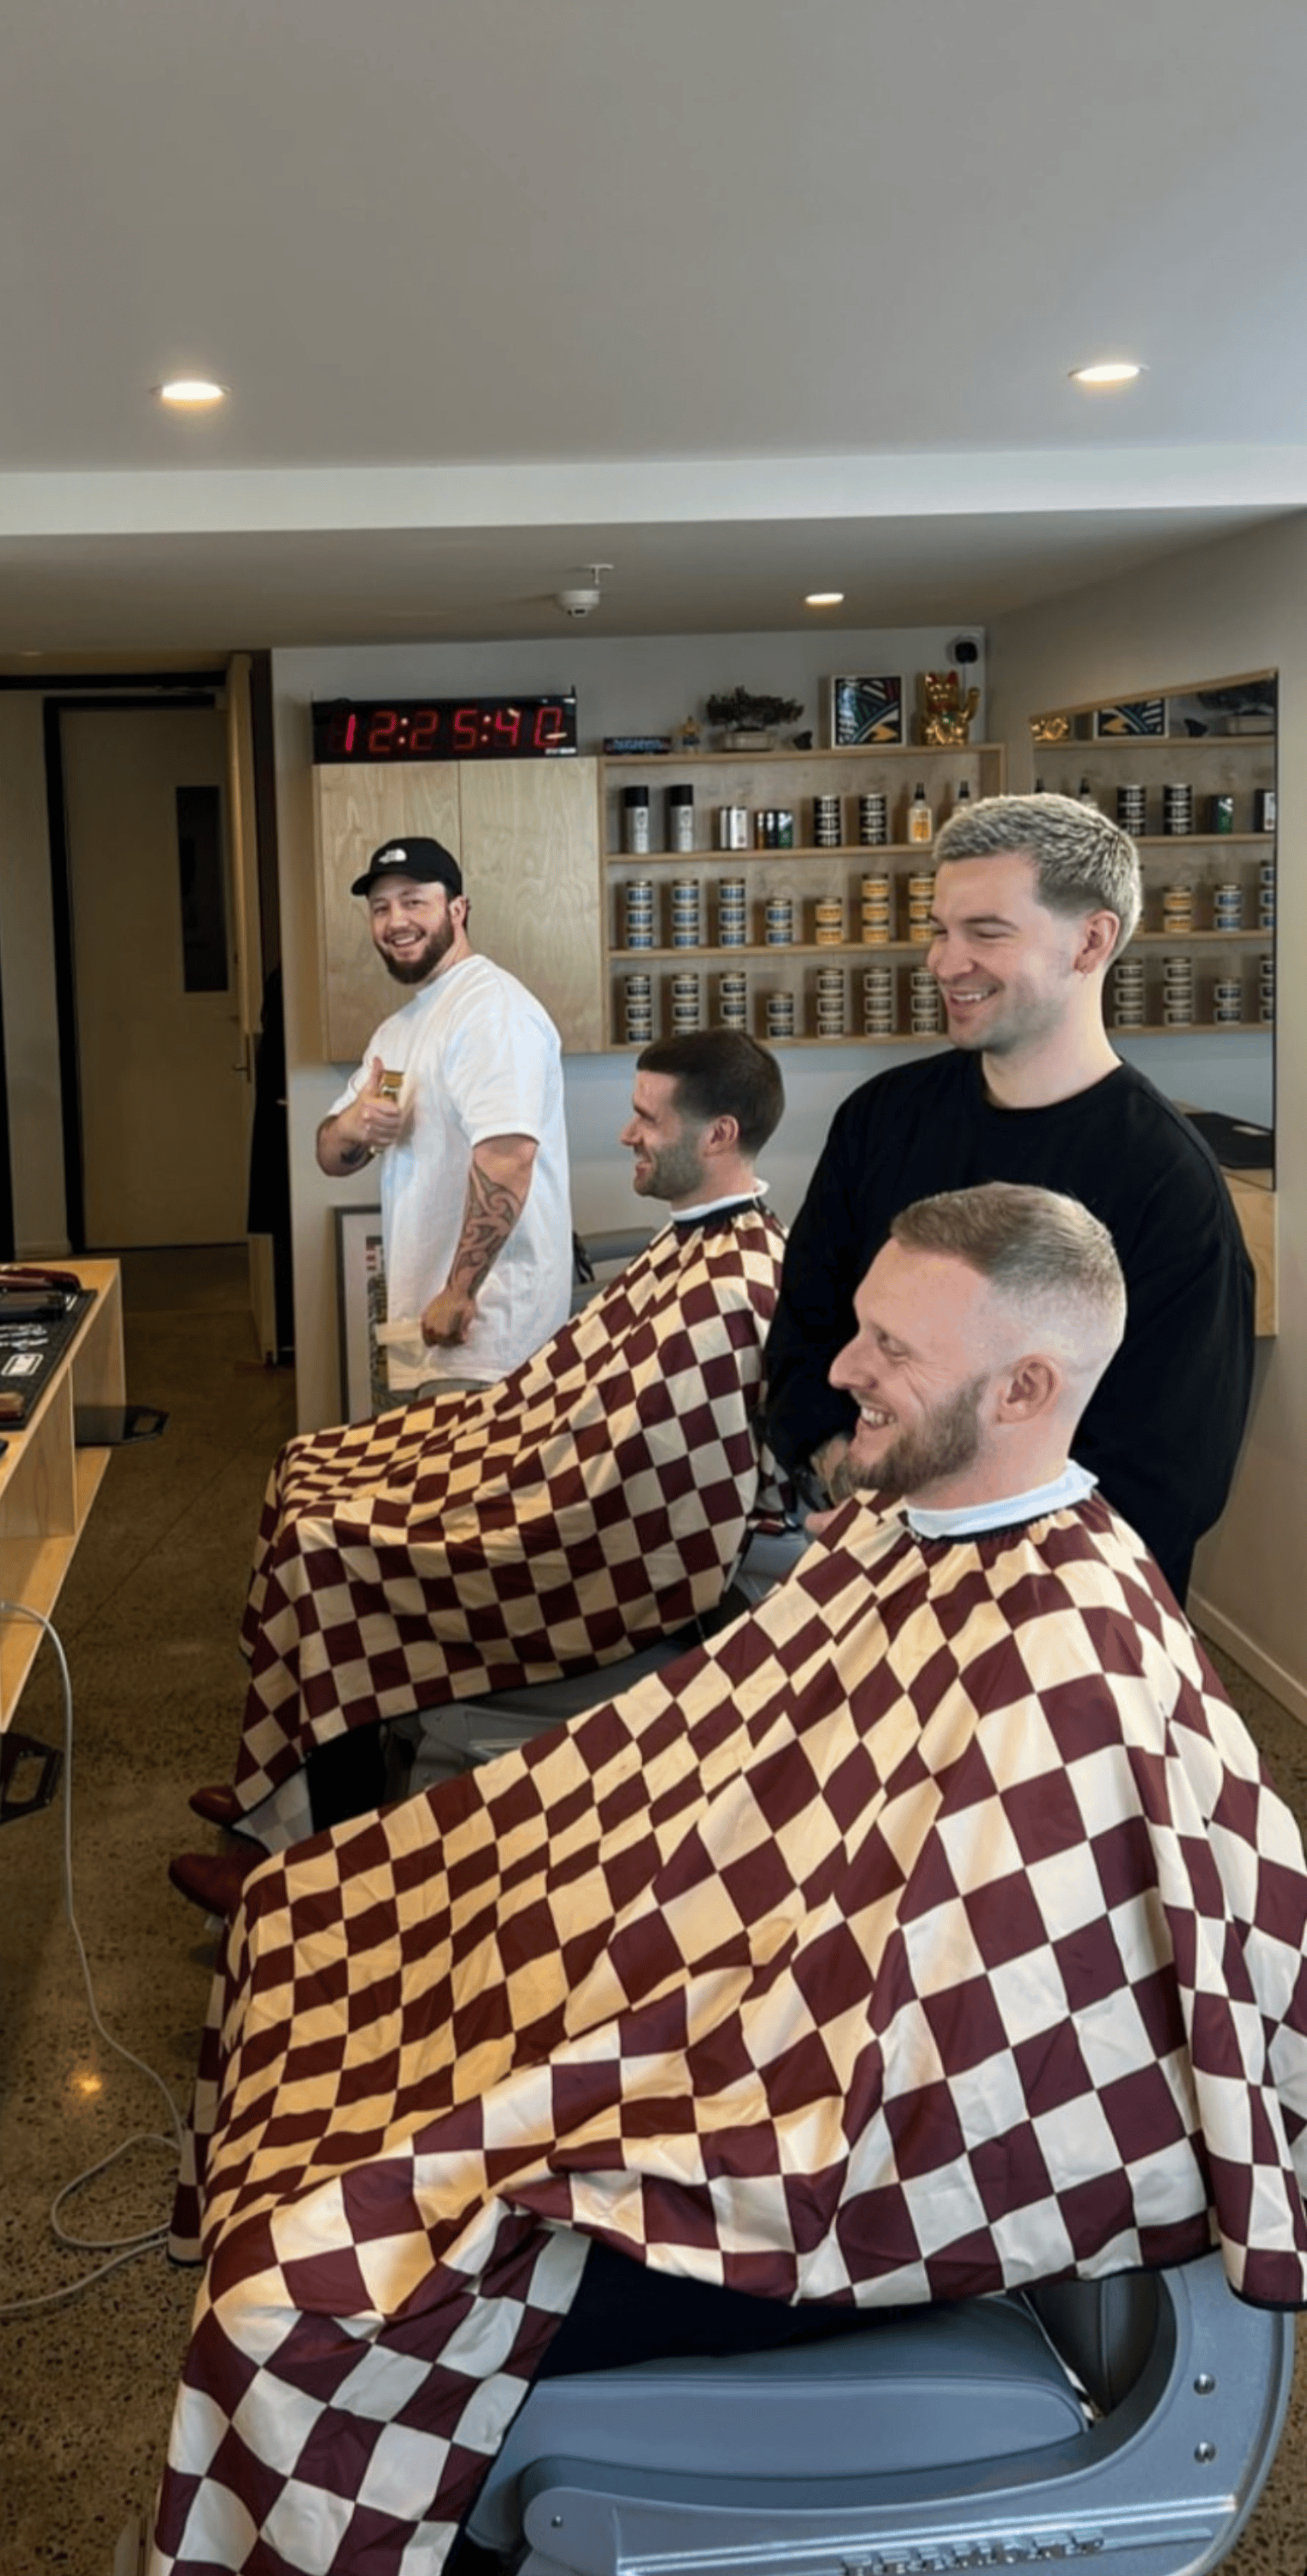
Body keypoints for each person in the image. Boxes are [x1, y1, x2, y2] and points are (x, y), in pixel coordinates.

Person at [154, 1185, 1307, 2576]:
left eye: (892, 1348)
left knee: (303, 2296)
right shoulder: (913, 1532)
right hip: (739, 2019)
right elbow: (720, 1784)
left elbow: (941, 2080)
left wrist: (634, 2088)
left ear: (1029, 1385)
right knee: (305, 1927)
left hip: (822, 2181)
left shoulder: (1064, 1662)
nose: (839, 1369)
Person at [174, 1031, 789, 1883]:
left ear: (716, 1134)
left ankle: (311, 1862)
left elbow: (644, 1489)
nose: (624, 1134)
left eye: (646, 1118)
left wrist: (497, 1479)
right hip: (535, 1462)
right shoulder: (693, 1243)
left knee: (324, 1541)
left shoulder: (729, 1288)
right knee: (306, 1464)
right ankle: (284, 1788)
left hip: (580, 1542)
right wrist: (496, 1450)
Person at [763, 792, 1254, 1604]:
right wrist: (854, 1484)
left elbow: (1169, 1478)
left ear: (1091, 941)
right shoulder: (880, 1121)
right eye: (940, 930)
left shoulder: (1168, 1188)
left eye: (986, 933)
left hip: (1045, 1620)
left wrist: (940, 1546)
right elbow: (806, 1338)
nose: (944, 962)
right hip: (861, 1572)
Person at [317, 836, 571, 1403]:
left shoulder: (492, 1010)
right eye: (381, 908)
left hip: (485, 1334)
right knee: (416, 1486)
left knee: (471, 1494)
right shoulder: (399, 1029)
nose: (395, 921)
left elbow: (508, 1157)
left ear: (458, 909)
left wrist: (459, 1291)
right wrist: (355, 1126)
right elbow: (330, 1154)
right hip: (417, 1323)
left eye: (413, 901)